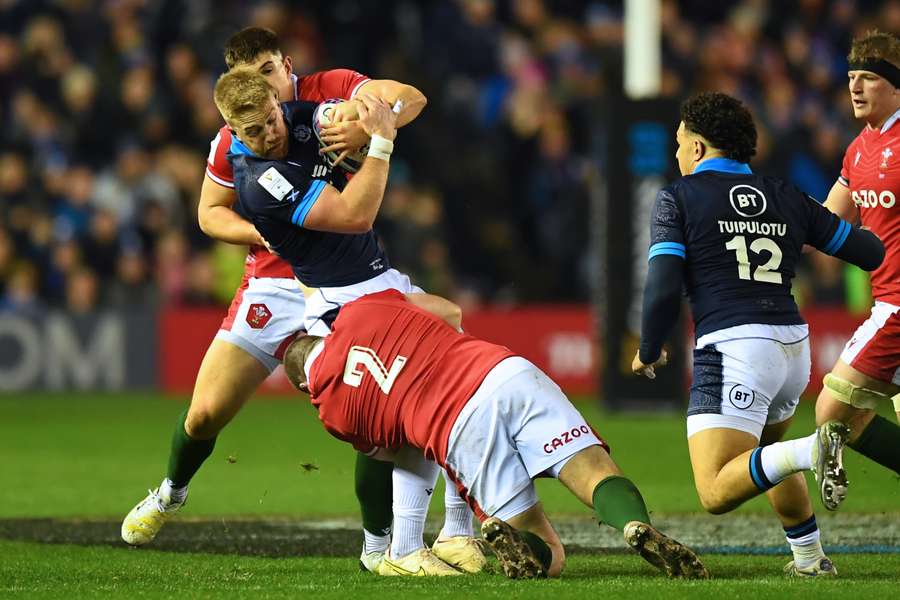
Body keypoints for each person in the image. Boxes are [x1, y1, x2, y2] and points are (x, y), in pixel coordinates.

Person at [122, 28, 480, 577]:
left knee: (384, 395)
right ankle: (171, 491)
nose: (266, 91)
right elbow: (207, 214)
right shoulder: (237, 145)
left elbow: (408, 97)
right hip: (273, 284)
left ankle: (397, 541)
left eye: (268, 72)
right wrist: (263, 230)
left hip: (349, 276)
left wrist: (365, 120)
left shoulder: (325, 98)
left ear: (286, 66)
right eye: (250, 80)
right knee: (205, 414)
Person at [280, 288, 709, 580]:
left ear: (304, 385)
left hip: (457, 426)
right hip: (504, 371)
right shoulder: (361, 309)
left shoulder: (332, 410)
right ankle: (635, 525)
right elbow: (450, 312)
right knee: (593, 468)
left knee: (549, 552)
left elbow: (398, 455)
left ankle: (518, 543)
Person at [631, 92, 884, 577]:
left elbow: (663, 285)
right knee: (764, 458)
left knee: (715, 490)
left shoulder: (678, 198)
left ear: (700, 148)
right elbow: (869, 252)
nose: (677, 153)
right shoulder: (785, 194)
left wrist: (648, 348)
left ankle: (815, 449)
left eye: (681, 143)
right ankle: (810, 561)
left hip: (735, 347)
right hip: (792, 347)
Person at [814, 29, 900, 498]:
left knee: (830, 410)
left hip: (896, 309)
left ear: (895, 86)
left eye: (868, 77)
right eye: (851, 77)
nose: (855, 87)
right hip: (886, 303)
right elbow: (827, 220)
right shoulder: (859, 148)